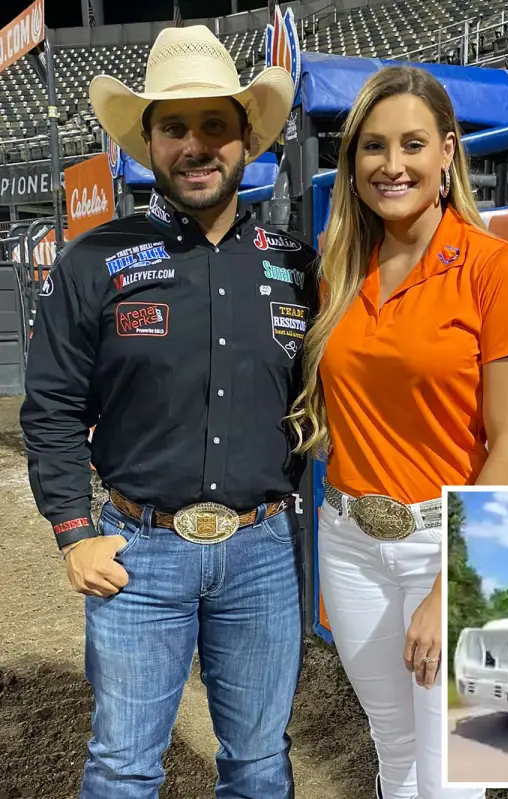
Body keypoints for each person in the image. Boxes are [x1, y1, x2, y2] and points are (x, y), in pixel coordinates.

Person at [20, 26, 311, 797]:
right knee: (122, 767)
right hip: (137, 552)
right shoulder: (93, 261)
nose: (196, 145)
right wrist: (75, 534)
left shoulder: (295, 266)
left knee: (259, 763)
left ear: (246, 137)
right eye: (175, 127)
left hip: (262, 552)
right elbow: (48, 407)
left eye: (215, 124)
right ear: (147, 142)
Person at [286, 65, 508, 799]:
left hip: (443, 541)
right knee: (393, 754)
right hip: (350, 538)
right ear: (352, 161)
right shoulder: (337, 269)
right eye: (372, 146)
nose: (391, 165)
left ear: (448, 152)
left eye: (412, 144)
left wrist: (446, 584)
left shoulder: (496, 268)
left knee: (449, 773)